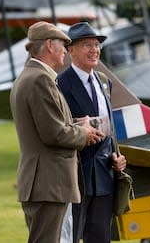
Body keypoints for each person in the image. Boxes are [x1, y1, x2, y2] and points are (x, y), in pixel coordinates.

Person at [10, 21, 105, 243]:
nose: (65, 51)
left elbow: (48, 124)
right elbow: (53, 134)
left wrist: (75, 125)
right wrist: (85, 134)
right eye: (63, 45)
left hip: (44, 183)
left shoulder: (31, 76)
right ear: (50, 46)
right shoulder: (40, 79)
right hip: (48, 183)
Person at [57, 22, 127, 243]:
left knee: (100, 238)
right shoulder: (60, 84)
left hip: (105, 176)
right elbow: (59, 129)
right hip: (76, 177)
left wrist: (117, 156)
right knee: (71, 237)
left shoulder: (104, 82)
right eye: (87, 44)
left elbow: (110, 127)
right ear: (71, 50)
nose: (94, 50)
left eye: (97, 45)